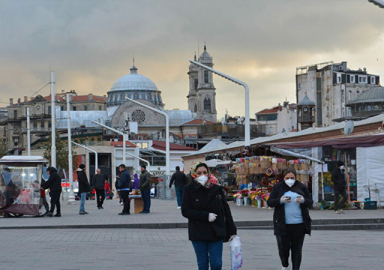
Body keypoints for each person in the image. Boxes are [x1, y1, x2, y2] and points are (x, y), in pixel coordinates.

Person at [182, 162, 237, 270]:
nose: (202, 175)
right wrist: (205, 215)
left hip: (216, 231)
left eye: (205, 172)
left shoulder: (217, 188)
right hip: (198, 231)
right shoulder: (189, 189)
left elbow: (225, 210)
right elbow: (185, 211)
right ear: (194, 174)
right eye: (199, 173)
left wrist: (232, 230)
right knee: (202, 264)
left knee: (216, 264)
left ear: (209, 173)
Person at [267, 167, 313, 270]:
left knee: (297, 250)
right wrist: (280, 200)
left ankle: (296, 268)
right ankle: (285, 265)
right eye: (287, 178)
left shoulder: (301, 187)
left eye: (292, 177)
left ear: (295, 177)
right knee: (283, 249)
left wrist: (303, 200)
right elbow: (270, 202)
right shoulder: (278, 187)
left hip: (299, 224)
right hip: (283, 224)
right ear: (283, 178)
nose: (290, 180)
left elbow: (310, 202)